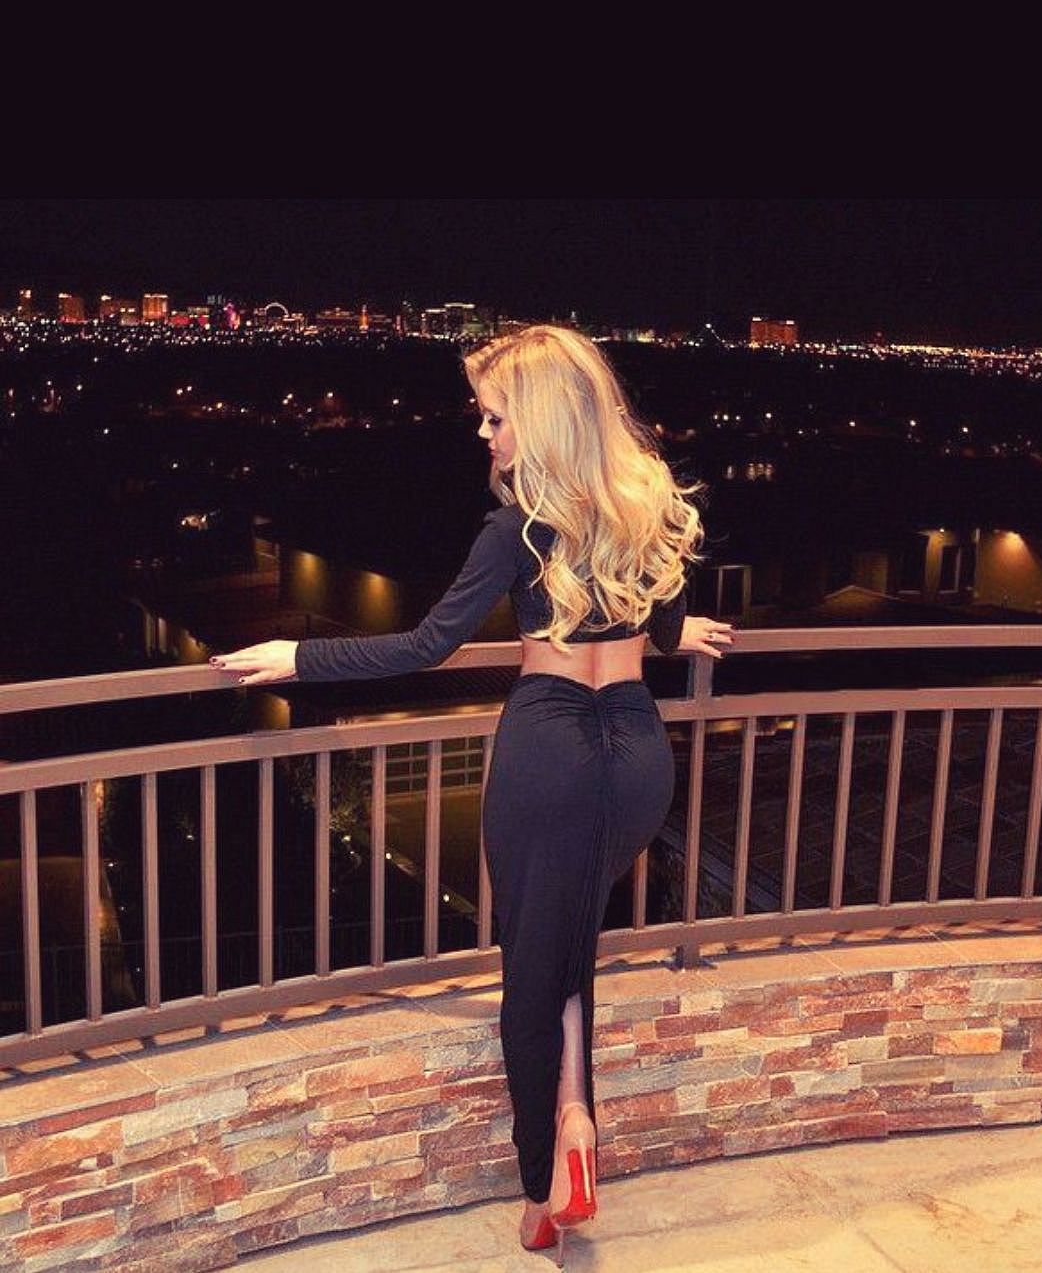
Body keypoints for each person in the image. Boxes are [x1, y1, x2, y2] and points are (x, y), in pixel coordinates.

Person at [209, 325, 733, 1263]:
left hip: (550, 752)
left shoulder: (518, 526)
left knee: (530, 975)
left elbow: (425, 645)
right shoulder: (647, 500)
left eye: (495, 417)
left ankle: (544, 1188)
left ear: (541, 418)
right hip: (639, 756)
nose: (483, 433)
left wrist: (299, 655)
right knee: (570, 948)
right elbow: (658, 631)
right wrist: (681, 632)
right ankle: (576, 1121)